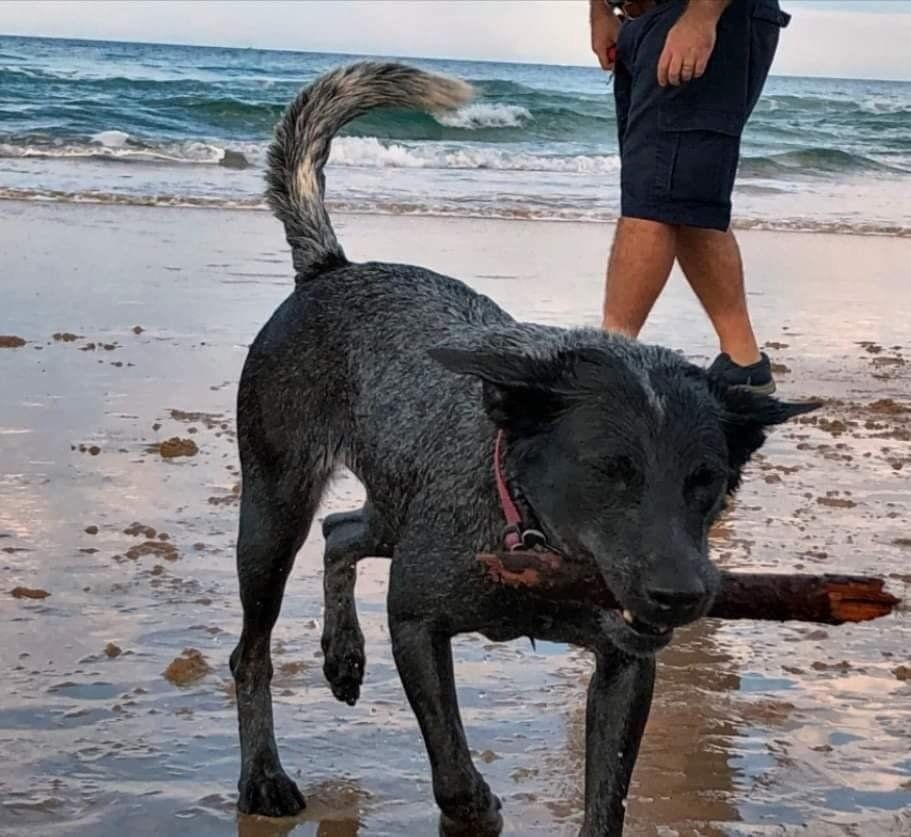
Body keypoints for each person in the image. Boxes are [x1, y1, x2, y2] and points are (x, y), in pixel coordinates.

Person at [590, 0, 790, 393]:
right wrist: (601, 11)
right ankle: (743, 363)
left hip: (698, 13)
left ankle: (608, 364)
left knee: (653, 199)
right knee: (681, 195)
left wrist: (702, 16)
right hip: (643, 20)